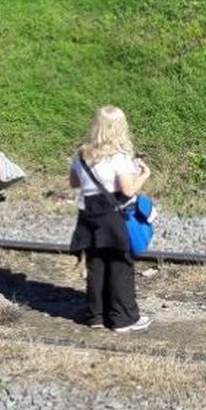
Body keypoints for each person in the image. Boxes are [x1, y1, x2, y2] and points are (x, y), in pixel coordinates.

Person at [68, 106, 151, 334]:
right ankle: (123, 319)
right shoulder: (119, 156)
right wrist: (144, 174)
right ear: (120, 128)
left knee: (96, 265)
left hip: (88, 215)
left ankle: (96, 316)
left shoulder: (81, 154)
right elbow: (128, 189)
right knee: (119, 265)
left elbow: (74, 182)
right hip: (112, 217)